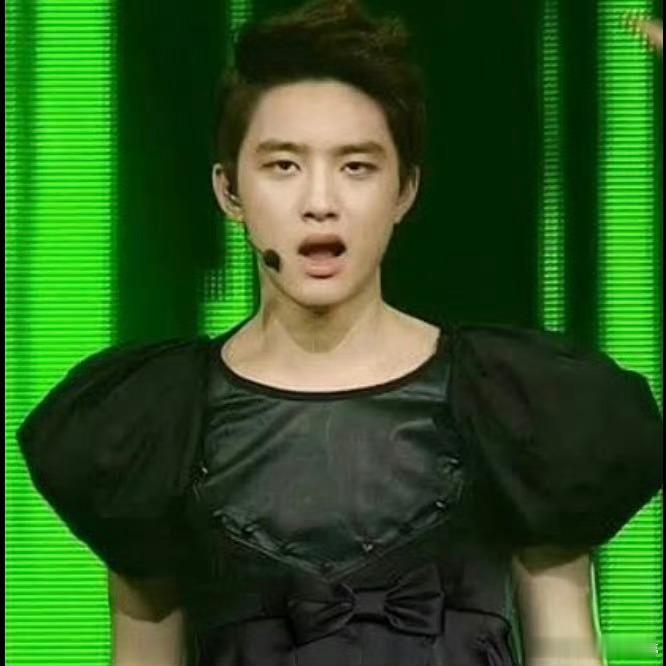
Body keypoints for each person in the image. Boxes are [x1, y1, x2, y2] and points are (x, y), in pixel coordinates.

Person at [16, 2, 663, 665]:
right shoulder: (156, 424)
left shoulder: (517, 407)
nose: (320, 203)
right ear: (229, 191)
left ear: (404, 189)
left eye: (356, 167)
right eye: (283, 166)